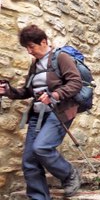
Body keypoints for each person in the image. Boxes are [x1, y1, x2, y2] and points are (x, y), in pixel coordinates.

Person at [0, 25, 82, 199]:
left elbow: (75, 83)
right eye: (27, 48)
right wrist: (8, 90)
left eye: (32, 47)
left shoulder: (61, 57)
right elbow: (27, 91)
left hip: (59, 111)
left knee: (42, 148)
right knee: (29, 161)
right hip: (38, 115)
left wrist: (55, 95)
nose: (30, 51)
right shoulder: (35, 64)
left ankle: (69, 174)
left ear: (43, 42)